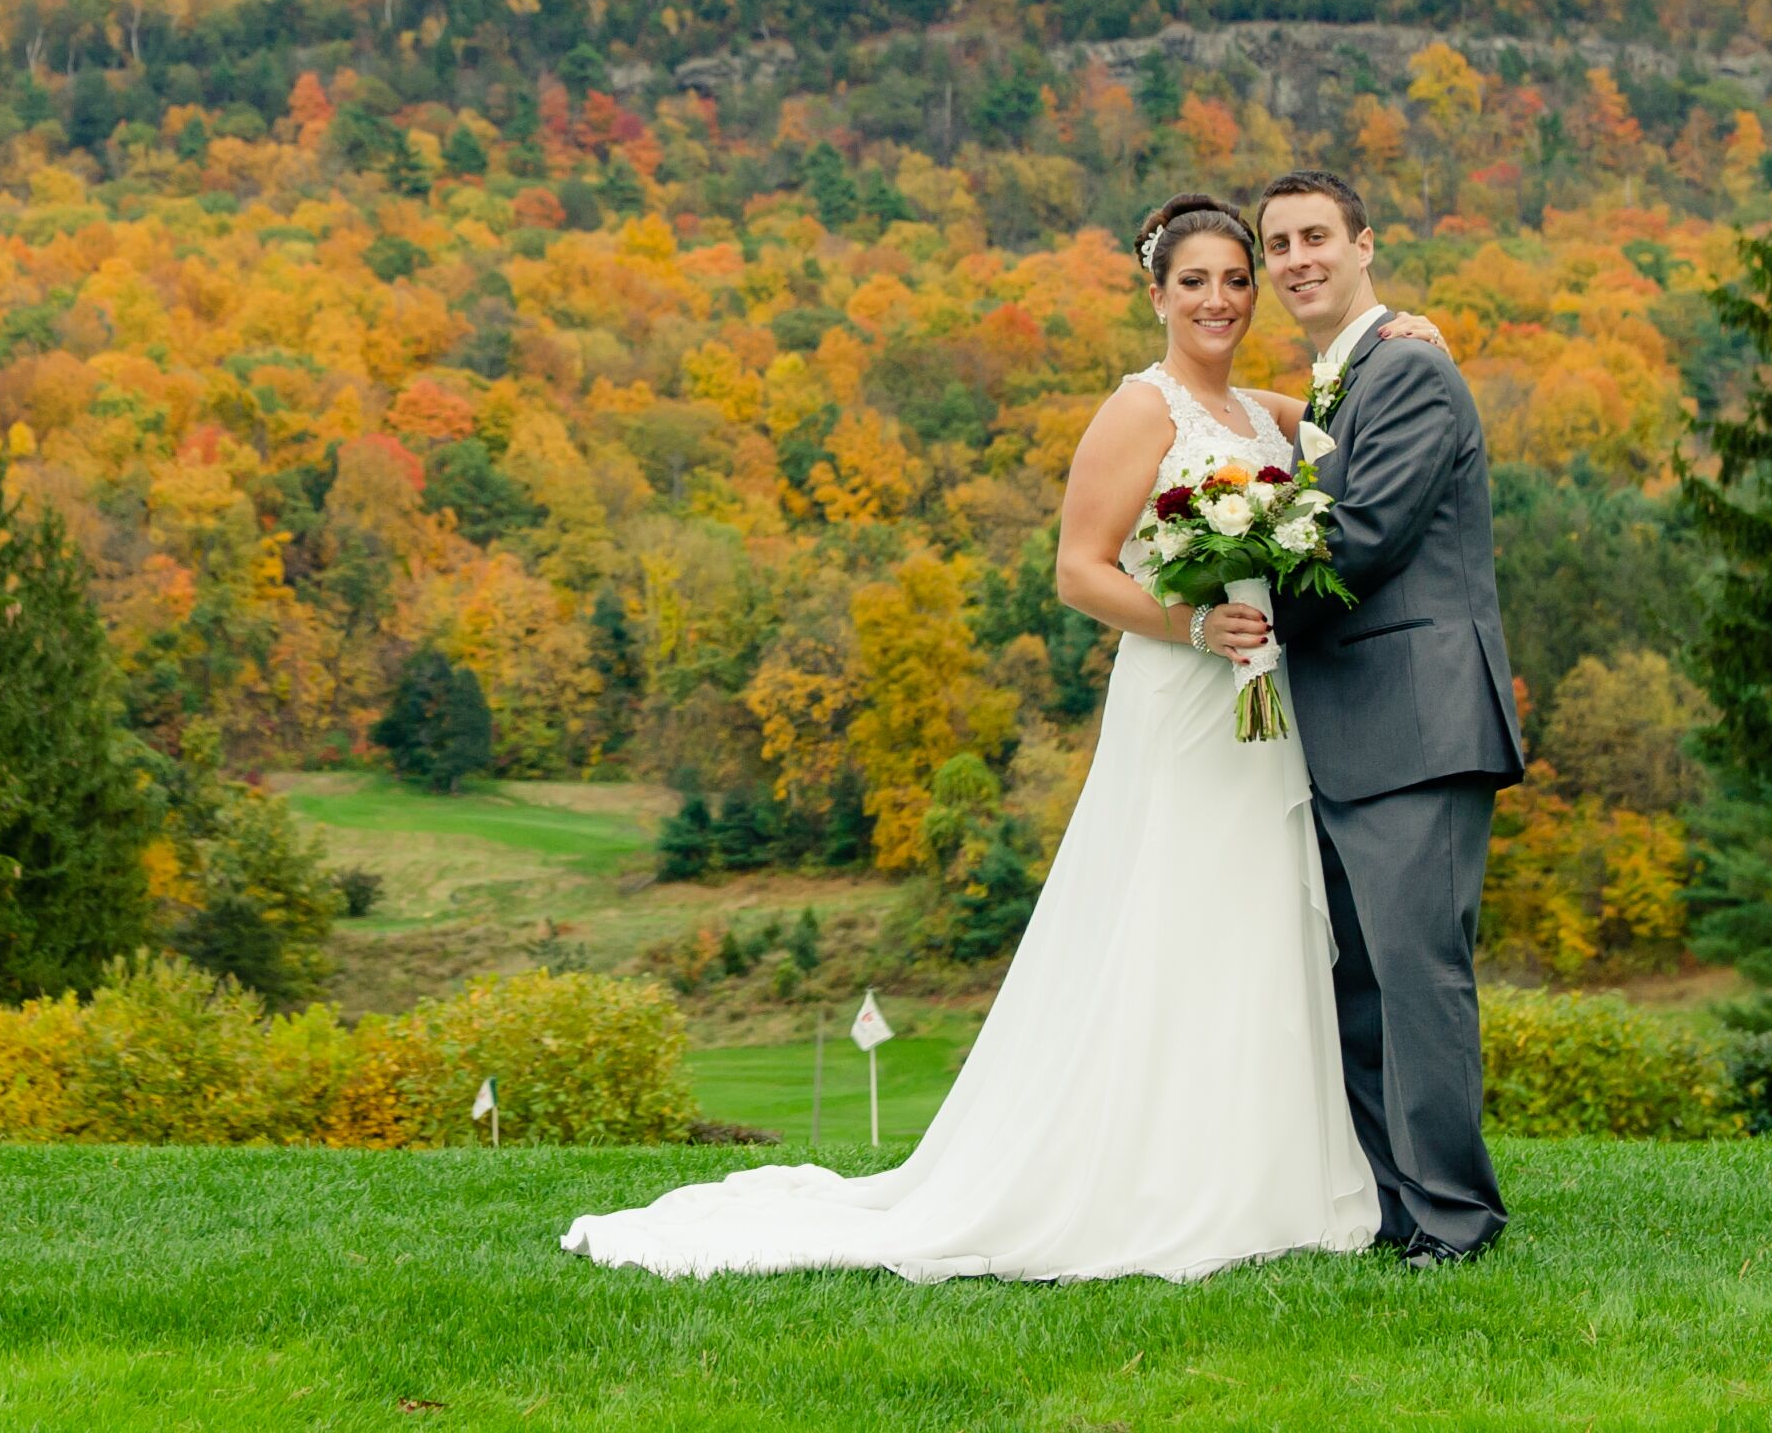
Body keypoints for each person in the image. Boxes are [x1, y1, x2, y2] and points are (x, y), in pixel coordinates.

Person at [560, 192, 1444, 1284]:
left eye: (1236, 278)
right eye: (1196, 281)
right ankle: (1153, 1174)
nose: (1220, 298)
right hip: (1185, 695)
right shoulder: (1140, 407)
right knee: (1172, 914)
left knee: (1262, 917)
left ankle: (1278, 1172)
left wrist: (1410, 328)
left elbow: (1350, 397)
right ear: (1157, 292)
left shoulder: (1269, 413)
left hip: (1266, 711)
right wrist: (1195, 624)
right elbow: (1079, 569)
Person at [1254, 168, 1523, 1267]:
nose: (1296, 257)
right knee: (1362, 990)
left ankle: (1457, 1219)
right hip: (1352, 730)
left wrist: (1222, 578)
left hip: (1417, 723)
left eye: (1317, 235)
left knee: (1419, 984)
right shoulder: (1340, 381)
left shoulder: (1406, 369)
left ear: (1365, 243)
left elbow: (1360, 538)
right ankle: (1401, 1209)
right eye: (1279, 244)